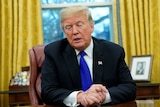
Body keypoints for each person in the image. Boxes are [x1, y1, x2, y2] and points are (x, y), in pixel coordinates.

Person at [41, 6, 136, 107]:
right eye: (68, 27)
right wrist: (80, 97)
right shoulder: (54, 52)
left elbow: (129, 88)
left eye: (79, 25)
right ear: (64, 31)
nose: (75, 31)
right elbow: (47, 92)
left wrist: (103, 96)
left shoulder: (113, 52)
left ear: (91, 26)